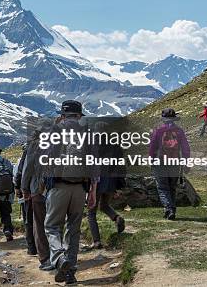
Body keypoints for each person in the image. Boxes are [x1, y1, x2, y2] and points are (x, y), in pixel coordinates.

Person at [43, 100, 97, 285]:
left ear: (63, 115)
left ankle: (59, 258)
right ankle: (70, 273)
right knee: (73, 230)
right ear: (80, 115)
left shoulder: (56, 131)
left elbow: (47, 158)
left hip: (59, 187)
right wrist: (93, 192)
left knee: (52, 226)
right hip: (81, 188)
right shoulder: (87, 133)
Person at [86, 121, 126, 249]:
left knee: (91, 212)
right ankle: (117, 217)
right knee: (104, 205)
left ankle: (96, 241)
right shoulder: (115, 145)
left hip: (96, 181)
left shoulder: (92, 145)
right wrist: (119, 185)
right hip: (111, 181)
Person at [149, 108, 191, 220]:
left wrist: (151, 160)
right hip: (175, 161)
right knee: (172, 187)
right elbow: (186, 148)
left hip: (161, 161)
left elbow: (152, 147)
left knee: (163, 187)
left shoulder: (158, 131)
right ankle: (172, 209)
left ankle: (169, 209)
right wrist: (186, 162)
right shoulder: (179, 131)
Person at [21, 131, 52, 271]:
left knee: (39, 224)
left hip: (37, 191)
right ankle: (58, 254)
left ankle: (45, 259)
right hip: (55, 190)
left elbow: (27, 170)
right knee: (55, 223)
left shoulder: (34, 147)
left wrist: (24, 189)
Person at [14, 147, 36, 255]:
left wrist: (19, 187)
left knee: (29, 219)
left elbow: (22, 171)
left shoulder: (29, 151)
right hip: (46, 191)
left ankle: (32, 248)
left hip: (30, 191)